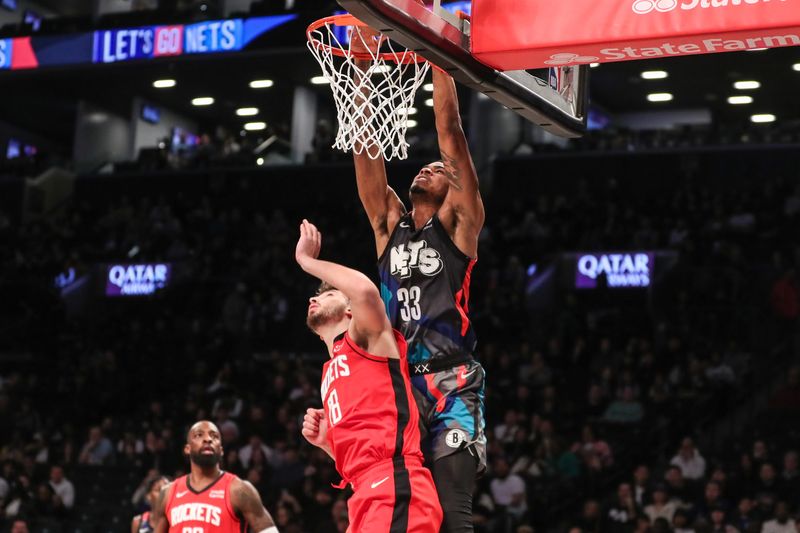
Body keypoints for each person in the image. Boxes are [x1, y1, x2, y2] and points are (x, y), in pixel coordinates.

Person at [351, 24, 486, 532]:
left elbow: (449, 132)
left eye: (436, 168)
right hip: (401, 384)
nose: (427, 168)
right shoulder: (389, 225)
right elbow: (367, 153)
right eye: (424, 166)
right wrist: (363, 68)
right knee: (405, 509)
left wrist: (438, 54)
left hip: (452, 379)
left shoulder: (459, 224)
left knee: (453, 513)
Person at [296, 220, 443, 532]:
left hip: (394, 484)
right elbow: (361, 450)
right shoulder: (329, 372)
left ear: (351, 311)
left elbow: (363, 290)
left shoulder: (366, 339)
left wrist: (308, 262)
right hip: (365, 492)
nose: (315, 298)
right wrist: (327, 444)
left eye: (328, 294)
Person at [150, 420, 278, 533]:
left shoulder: (239, 489)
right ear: (187, 449)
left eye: (214, 436)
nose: (208, 439)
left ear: (221, 450)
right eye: (199, 435)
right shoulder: (168, 492)